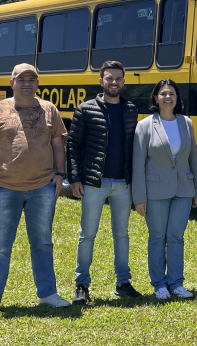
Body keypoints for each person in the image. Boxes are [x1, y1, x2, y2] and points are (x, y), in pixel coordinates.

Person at [0, 63, 70, 318]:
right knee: (0, 246)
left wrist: (60, 175)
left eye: (32, 79)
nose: (27, 83)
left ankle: (48, 294)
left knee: (43, 243)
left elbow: (58, 143)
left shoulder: (49, 109)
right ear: (11, 83)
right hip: (4, 188)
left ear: (37, 83)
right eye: (21, 79)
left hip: (43, 187)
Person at [68, 60, 141, 304]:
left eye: (118, 78)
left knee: (122, 235)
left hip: (123, 183)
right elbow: (73, 147)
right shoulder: (85, 109)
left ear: (123, 81)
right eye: (109, 78)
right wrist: (75, 178)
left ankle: (123, 282)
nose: (114, 82)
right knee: (87, 234)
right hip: (93, 183)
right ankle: (82, 285)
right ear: (101, 81)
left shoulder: (131, 109)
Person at [132, 79, 197, 300]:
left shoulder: (186, 123)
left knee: (176, 237)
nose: (167, 97)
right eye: (163, 93)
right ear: (155, 98)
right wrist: (139, 198)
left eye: (172, 93)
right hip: (155, 191)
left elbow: (193, 159)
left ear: (177, 98)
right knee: (157, 236)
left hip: (183, 188)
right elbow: (138, 164)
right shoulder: (145, 125)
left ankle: (176, 283)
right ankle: (159, 284)